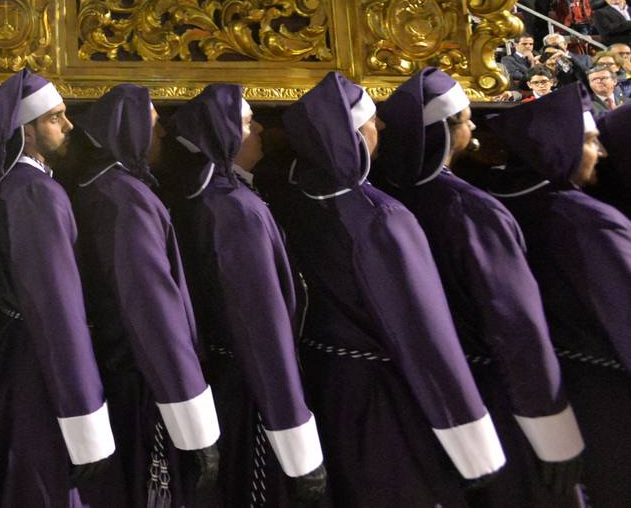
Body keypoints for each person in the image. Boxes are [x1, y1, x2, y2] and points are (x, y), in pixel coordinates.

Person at [279, 72, 505, 505]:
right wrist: (473, 444)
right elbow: (425, 333)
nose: (380, 126)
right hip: (383, 402)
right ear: (351, 134)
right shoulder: (381, 216)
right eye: (370, 119)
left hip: (329, 385)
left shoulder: (298, 199)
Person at [377, 69, 584, 505]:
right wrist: (552, 427)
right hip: (496, 394)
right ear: (445, 133)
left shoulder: (390, 196)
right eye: (467, 120)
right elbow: (515, 323)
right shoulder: (471, 209)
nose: (473, 129)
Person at [166, 85, 326, 506]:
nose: (258, 130)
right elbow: (262, 323)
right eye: (246, 122)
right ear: (225, 136)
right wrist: (291, 427)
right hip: (250, 391)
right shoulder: (235, 209)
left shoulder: (221, 197)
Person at [474, 87, 631, 505]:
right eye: (590, 142)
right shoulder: (590, 221)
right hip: (608, 393)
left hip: (568, 381)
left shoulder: (518, 203)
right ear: (561, 147)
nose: (600, 152)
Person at [73, 84, 222, 506]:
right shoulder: (125, 199)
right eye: (154, 126)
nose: (162, 137)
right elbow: (154, 312)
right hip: (145, 387)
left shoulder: (109, 188)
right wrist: (190, 415)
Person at [0, 69, 119, 503]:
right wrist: (83, 414)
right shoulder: (36, 193)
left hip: (22, 356)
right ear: (28, 132)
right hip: (39, 366)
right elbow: (58, 309)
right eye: (56, 117)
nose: (69, 124)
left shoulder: (25, 186)